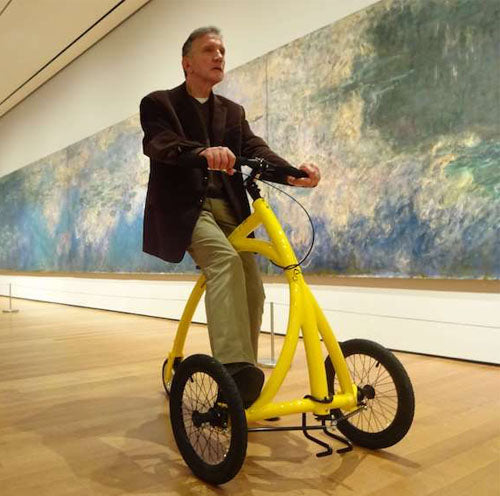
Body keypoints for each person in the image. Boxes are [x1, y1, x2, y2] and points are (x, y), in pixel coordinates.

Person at [140, 26, 320, 407]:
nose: (219, 55)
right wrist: (202, 152)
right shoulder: (159, 104)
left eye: (222, 50)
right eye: (210, 50)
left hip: (229, 209)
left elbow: (255, 149)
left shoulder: (232, 112)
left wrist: (292, 173)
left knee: (252, 284)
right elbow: (160, 144)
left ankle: (245, 377)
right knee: (223, 262)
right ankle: (233, 369)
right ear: (188, 63)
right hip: (187, 212)